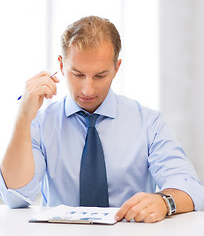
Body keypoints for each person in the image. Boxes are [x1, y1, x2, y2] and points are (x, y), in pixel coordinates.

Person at [0, 16, 204, 223]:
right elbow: (15, 197)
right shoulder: (41, 123)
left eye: (100, 76)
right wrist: (23, 118)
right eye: (78, 74)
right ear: (61, 66)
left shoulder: (149, 122)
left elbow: (190, 188)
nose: (87, 90)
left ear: (116, 68)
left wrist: (164, 202)